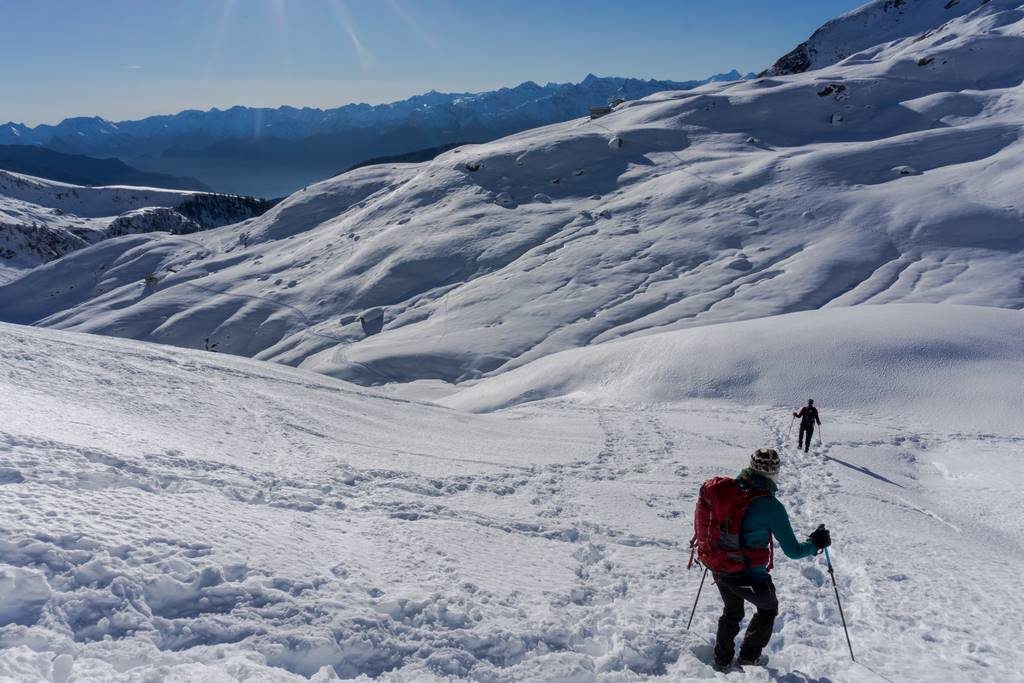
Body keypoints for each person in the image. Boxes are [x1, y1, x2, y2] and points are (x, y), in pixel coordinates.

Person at [711, 448, 831, 670]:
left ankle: (722, 659)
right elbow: (793, 551)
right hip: (749, 575)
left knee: (732, 612)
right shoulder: (771, 507)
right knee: (768, 609)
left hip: (719, 566)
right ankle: (748, 656)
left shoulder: (729, 492)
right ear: (774, 473)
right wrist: (816, 544)